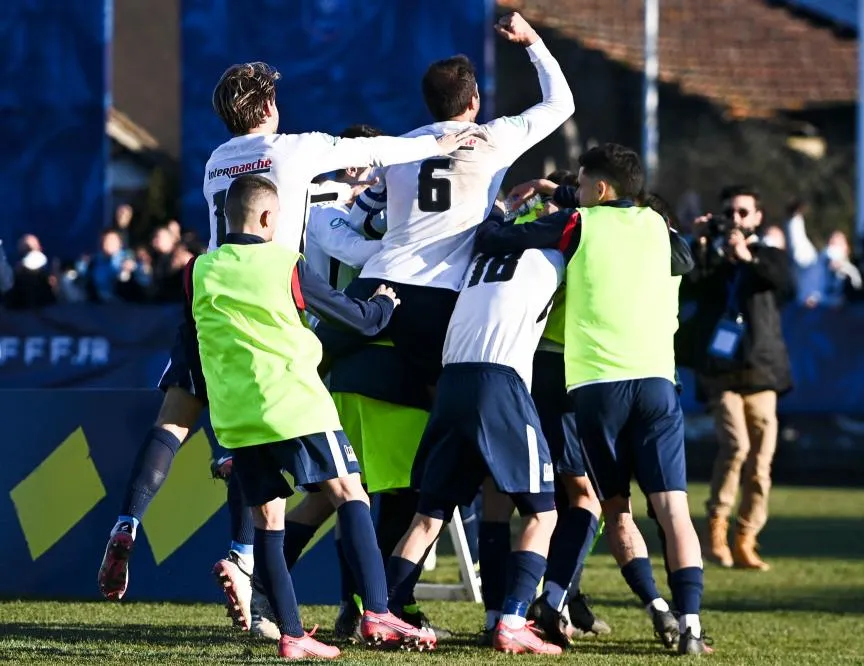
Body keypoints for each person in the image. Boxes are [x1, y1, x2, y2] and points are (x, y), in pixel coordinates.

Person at [96, 59, 477, 612]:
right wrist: (445, 136)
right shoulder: (296, 150)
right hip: (271, 310)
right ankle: (270, 570)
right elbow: (382, 151)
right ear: (270, 107)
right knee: (321, 477)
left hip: (211, 300)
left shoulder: (215, 161)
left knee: (175, 424)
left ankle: (129, 518)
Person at [313, 9, 573, 631]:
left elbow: (364, 217)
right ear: (475, 100)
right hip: (437, 305)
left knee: (338, 427)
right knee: (439, 458)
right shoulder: (495, 137)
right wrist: (533, 42)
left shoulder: (400, 147)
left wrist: (371, 248)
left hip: (377, 292)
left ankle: (362, 599)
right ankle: (405, 602)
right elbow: (559, 101)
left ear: (426, 102)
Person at [180, 175, 435, 658]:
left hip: (236, 416)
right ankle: (378, 611)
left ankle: (293, 635)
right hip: (294, 401)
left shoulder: (197, 270)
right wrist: (384, 302)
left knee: (268, 521)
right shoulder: (283, 264)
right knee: (349, 492)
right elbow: (356, 318)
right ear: (268, 218)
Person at [474, 143, 712, 655]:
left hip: (597, 388)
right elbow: (685, 257)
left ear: (598, 190)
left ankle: (551, 600)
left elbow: (496, 241)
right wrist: (557, 188)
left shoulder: (578, 224)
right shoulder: (654, 223)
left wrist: (499, 212)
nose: (574, 194)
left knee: (611, 506)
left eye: (580, 186)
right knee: (674, 511)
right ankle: (689, 622)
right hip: (655, 382)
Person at [384, 204, 564, 655]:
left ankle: (384, 613)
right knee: (544, 513)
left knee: (430, 516)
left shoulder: (480, 253)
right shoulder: (556, 253)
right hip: (499, 382)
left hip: (452, 381)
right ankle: (513, 620)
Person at [676, 185, 793, 572]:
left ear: (758, 217)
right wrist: (702, 241)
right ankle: (716, 530)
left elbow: (785, 287)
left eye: (744, 213)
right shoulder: (712, 257)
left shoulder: (769, 256)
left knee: (761, 461)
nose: (737, 220)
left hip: (761, 368)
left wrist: (747, 258)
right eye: (730, 212)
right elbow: (687, 283)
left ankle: (746, 536)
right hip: (721, 370)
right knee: (736, 446)